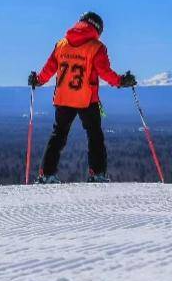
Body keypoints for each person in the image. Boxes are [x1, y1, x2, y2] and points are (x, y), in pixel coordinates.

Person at [28, 12, 136, 184]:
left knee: (58, 135)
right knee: (95, 136)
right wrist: (121, 81)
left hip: (63, 98)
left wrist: (38, 80)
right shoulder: (96, 47)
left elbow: (49, 68)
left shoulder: (61, 45)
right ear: (97, 28)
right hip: (87, 99)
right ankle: (97, 173)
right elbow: (105, 72)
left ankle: (46, 174)